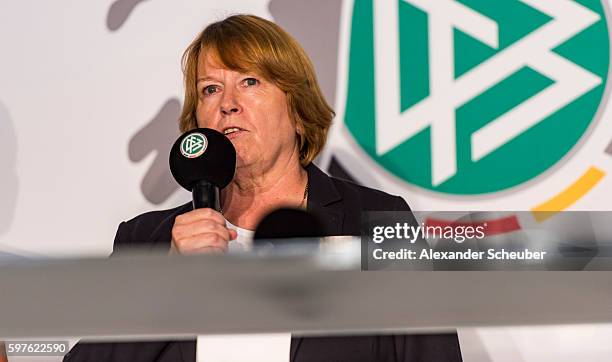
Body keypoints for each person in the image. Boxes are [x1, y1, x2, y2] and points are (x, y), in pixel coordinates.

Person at [64, 14, 462, 362]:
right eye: (210, 89)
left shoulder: (377, 222)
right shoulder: (146, 240)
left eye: (250, 82)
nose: (228, 104)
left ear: (299, 113)